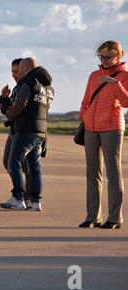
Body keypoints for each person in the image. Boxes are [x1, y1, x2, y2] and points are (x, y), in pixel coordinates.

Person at [78, 40, 128, 229]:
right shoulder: (94, 75)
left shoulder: (124, 76)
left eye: (109, 57)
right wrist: (84, 115)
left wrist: (114, 83)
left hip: (112, 127)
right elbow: (85, 100)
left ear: (118, 56)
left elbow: (126, 102)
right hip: (91, 127)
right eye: (102, 56)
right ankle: (92, 216)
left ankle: (115, 218)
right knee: (92, 173)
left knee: (113, 173)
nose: (105, 60)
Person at [0, 57, 54, 211]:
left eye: (20, 69)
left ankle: (18, 197)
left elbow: (20, 105)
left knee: (13, 162)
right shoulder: (48, 87)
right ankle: (35, 201)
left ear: (25, 68)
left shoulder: (29, 81)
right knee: (34, 167)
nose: (19, 73)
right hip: (40, 132)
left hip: (25, 130)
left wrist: (10, 116)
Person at [0, 58, 34, 209]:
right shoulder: (17, 88)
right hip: (14, 130)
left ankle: (25, 196)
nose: (14, 75)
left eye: (17, 71)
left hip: (23, 131)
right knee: (8, 162)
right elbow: (12, 108)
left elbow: (17, 111)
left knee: (25, 166)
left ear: (23, 70)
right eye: (12, 72)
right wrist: (4, 99)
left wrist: (4, 108)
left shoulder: (27, 87)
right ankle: (22, 194)